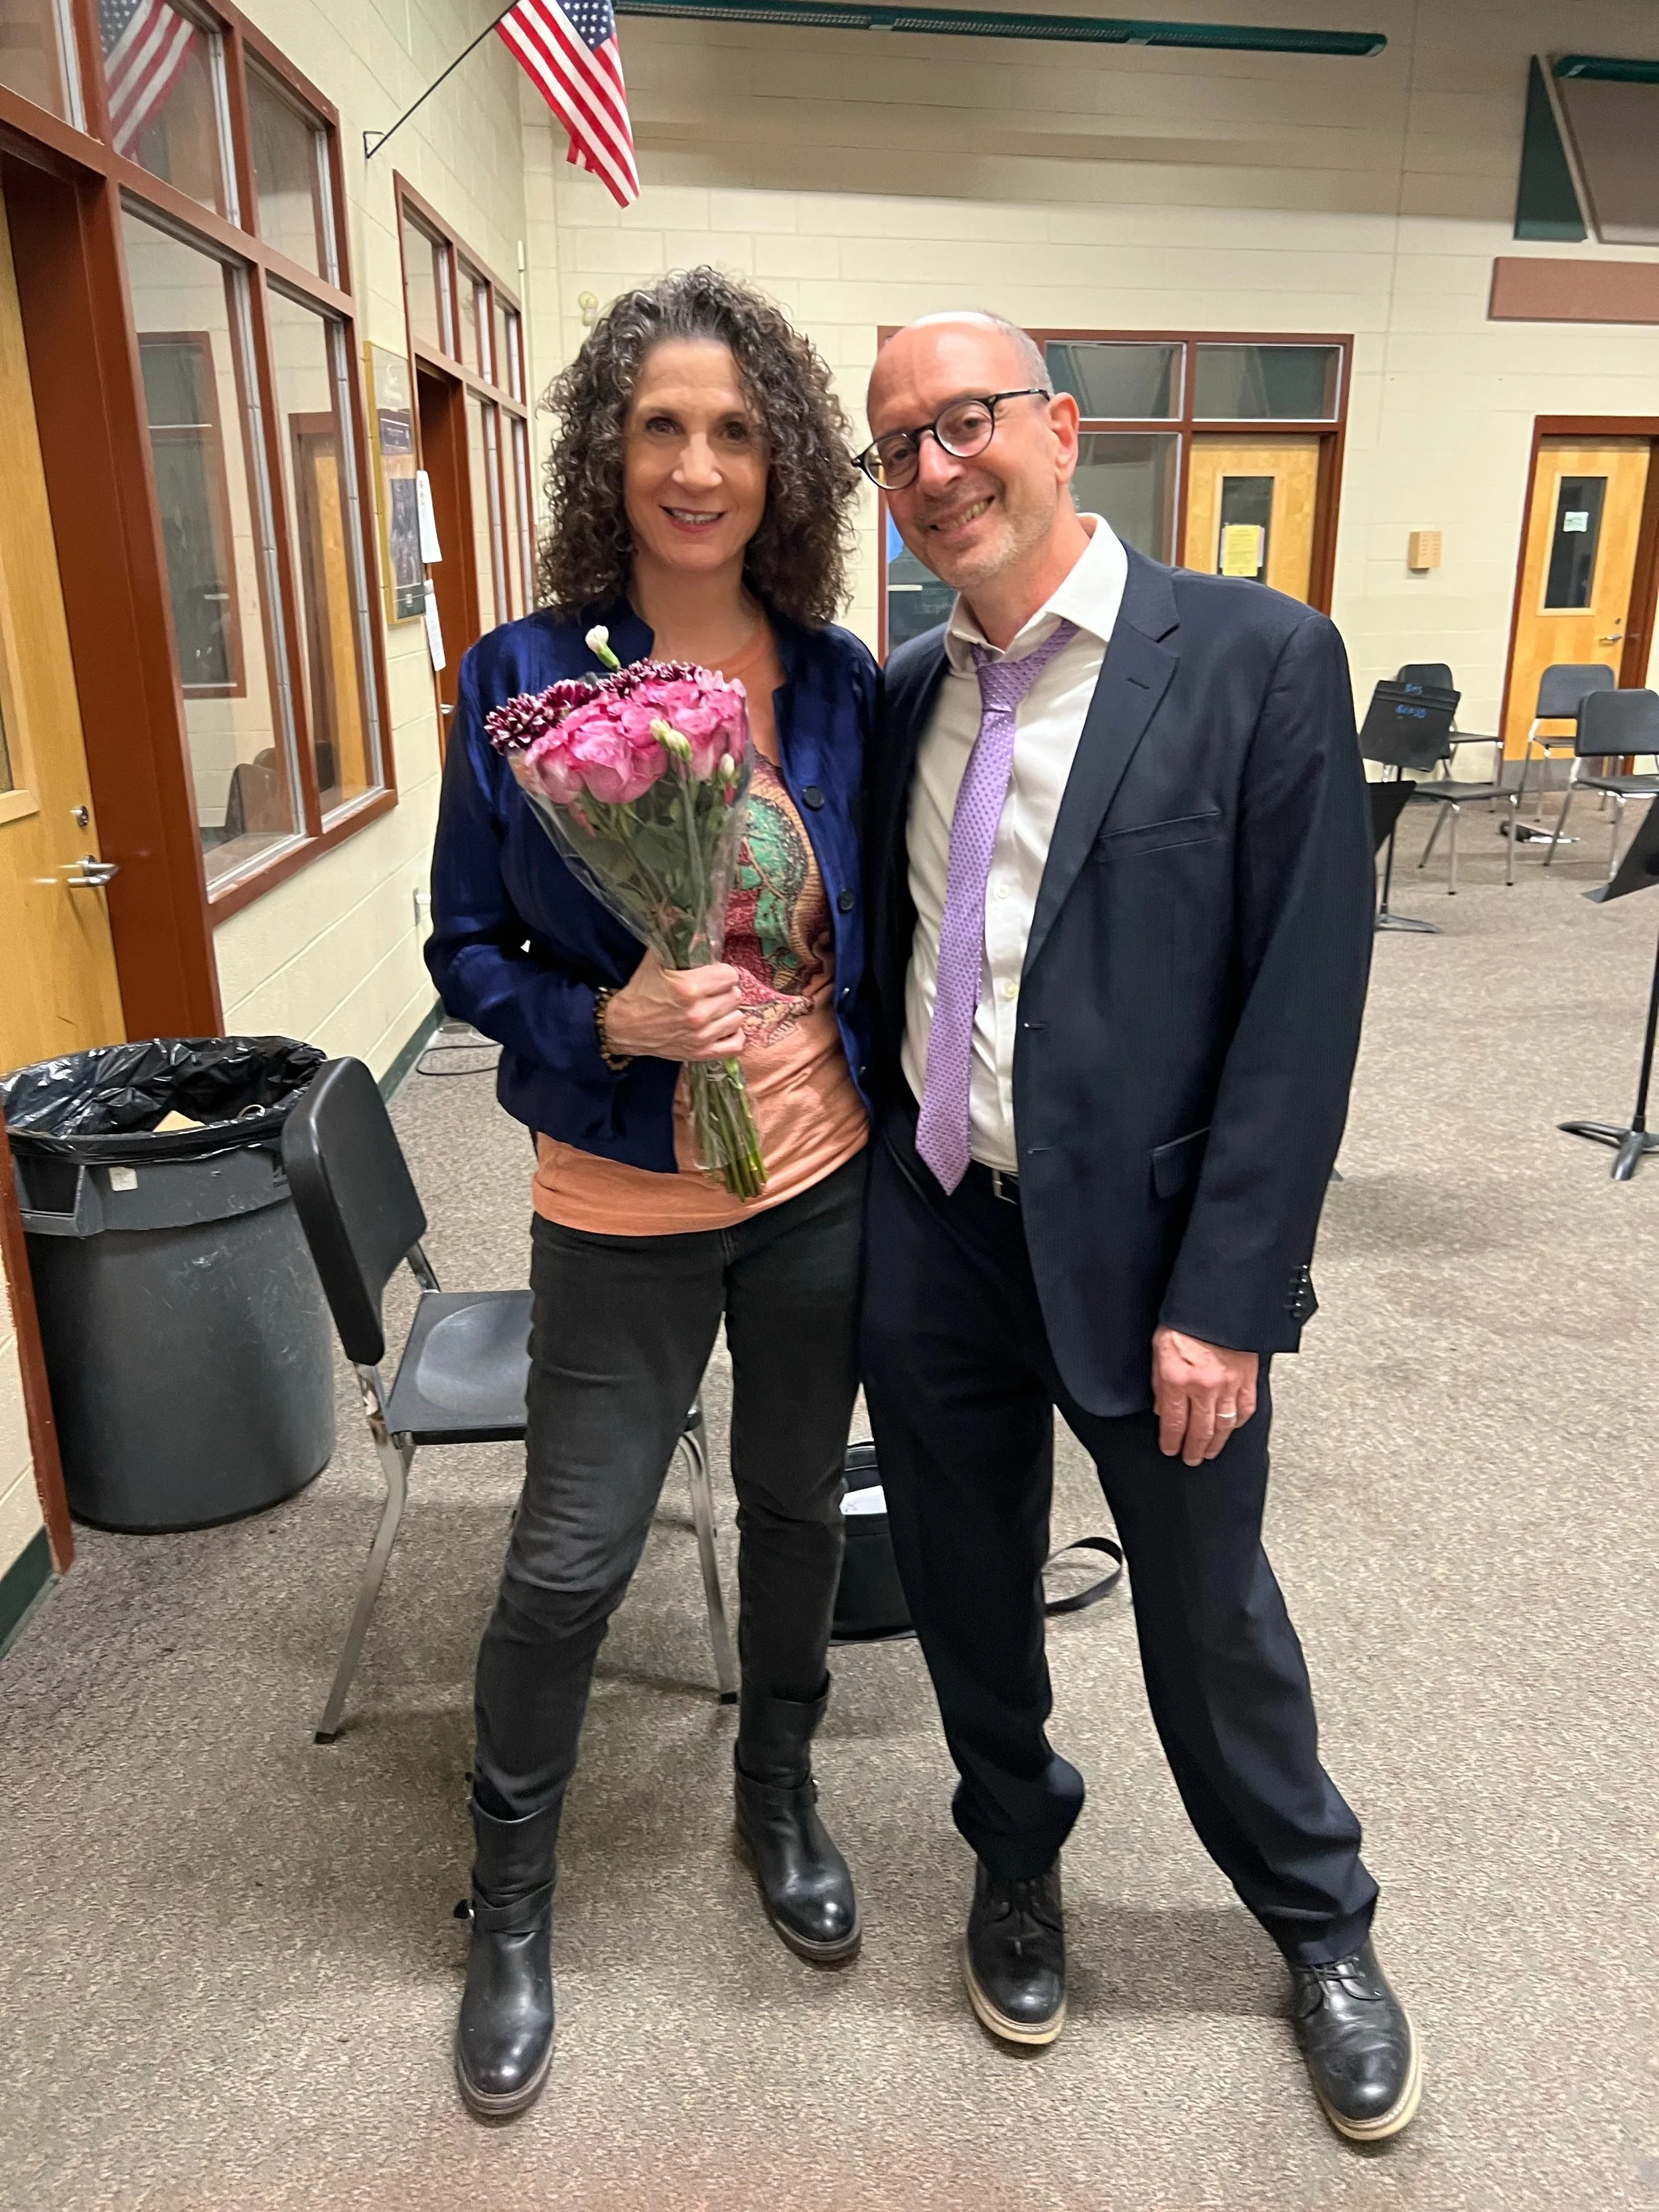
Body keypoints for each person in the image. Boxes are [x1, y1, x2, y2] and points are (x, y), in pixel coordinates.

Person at [857, 313, 1420, 2142]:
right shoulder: (900, 698)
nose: (933, 470)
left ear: (1058, 428)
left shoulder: (1253, 659)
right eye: (896, 448)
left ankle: (1318, 1920)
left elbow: (1299, 1004)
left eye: (963, 424)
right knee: (962, 1576)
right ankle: (1014, 1853)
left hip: (1158, 1255)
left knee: (1204, 1603)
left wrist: (1231, 1299)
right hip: (937, 1224)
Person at [426, 269, 875, 2121]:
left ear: (784, 463)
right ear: (613, 450)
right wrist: (602, 1011)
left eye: (735, 430)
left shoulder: (842, 679)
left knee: (793, 1514)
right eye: (661, 426)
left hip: (817, 1186)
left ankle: (775, 1795)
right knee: (569, 1557)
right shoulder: (522, 675)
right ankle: (508, 1903)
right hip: (614, 1198)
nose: (697, 464)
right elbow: (458, 943)